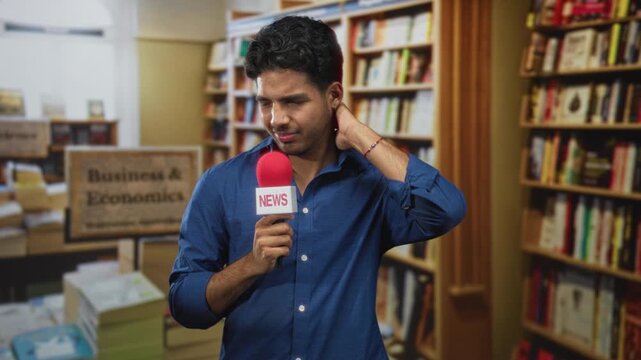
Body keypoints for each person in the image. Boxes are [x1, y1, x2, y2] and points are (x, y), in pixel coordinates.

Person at [169, 15, 466, 360]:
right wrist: (250, 265)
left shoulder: (371, 184)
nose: (276, 119)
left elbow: (446, 209)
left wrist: (357, 132)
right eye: (266, 102)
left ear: (333, 96)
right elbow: (184, 304)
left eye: (293, 102)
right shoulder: (221, 183)